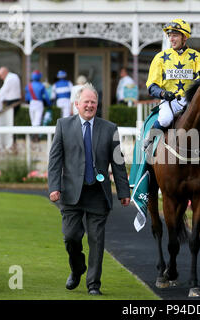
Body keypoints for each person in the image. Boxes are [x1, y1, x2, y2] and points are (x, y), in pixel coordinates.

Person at [48, 83, 130, 296]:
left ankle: (93, 284)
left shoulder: (109, 128)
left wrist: (123, 192)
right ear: (77, 104)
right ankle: (77, 269)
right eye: (86, 102)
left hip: (97, 194)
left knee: (96, 239)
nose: (90, 105)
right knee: (70, 237)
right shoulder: (63, 125)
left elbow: (118, 163)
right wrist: (54, 186)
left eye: (93, 102)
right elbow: (55, 160)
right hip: (70, 193)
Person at [143, 18, 200, 148]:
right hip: (169, 101)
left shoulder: (199, 57)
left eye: (175, 35)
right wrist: (163, 93)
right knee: (165, 120)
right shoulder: (160, 58)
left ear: (184, 37)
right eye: (170, 36)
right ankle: (149, 143)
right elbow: (151, 85)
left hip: (190, 101)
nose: (171, 39)